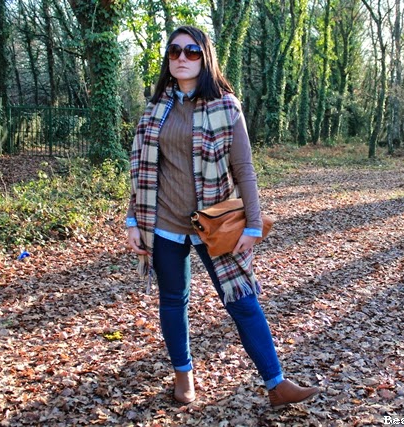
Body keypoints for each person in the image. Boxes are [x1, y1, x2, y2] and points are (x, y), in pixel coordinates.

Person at [125, 25, 319, 408]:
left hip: (213, 223)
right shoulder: (155, 108)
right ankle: (183, 375)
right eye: (175, 51)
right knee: (173, 300)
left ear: (205, 57)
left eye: (191, 51)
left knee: (241, 299)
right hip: (163, 224)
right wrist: (133, 220)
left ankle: (277, 384)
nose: (182, 58)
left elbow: (244, 169)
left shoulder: (226, 107)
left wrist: (253, 223)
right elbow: (142, 169)